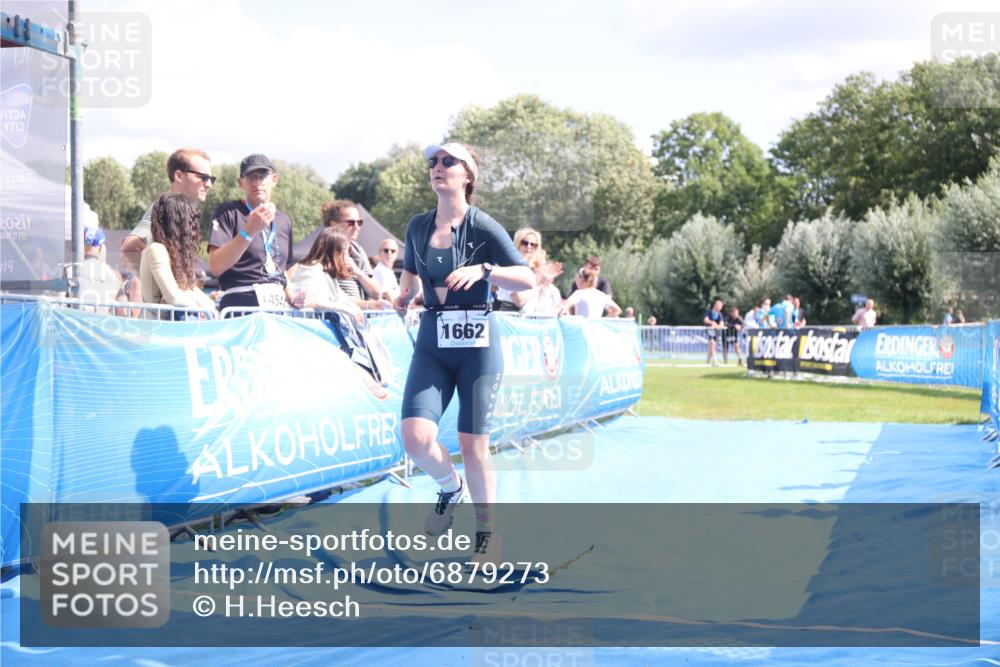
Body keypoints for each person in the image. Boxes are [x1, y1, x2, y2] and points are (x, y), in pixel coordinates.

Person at [392, 142, 534, 565]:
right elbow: (411, 273)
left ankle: (487, 532)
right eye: (433, 162)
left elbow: (526, 279)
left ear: (467, 175)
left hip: (477, 344)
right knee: (415, 439)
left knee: (474, 444)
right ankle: (449, 486)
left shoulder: (483, 225)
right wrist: (402, 296)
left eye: (448, 161)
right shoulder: (417, 225)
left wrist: (486, 270)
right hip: (433, 341)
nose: (437, 167)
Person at [121, 148, 214, 302]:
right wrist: (159, 281)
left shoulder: (180, 210)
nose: (209, 184)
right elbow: (130, 246)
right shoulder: (165, 209)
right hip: (163, 316)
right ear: (178, 176)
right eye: (203, 177)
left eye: (211, 178)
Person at [208, 154, 294, 313]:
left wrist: (290, 293)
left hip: (278, 309)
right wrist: (249, 231)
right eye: (250, 176)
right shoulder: (228, 212)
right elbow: (215, 266)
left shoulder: (284, 220)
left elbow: (283, 268)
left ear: (274, 179)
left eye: (262, 176)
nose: (257, 182)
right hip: (240, 305)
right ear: (241, 182)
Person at [139, 193, 217, 318]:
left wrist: (210, 307)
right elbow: (174, 297)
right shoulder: (156, 250)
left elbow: (189, 290)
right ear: (178, 224)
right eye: (189, 222)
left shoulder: (170, 253)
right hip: (157, 331)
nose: (193, 229)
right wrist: (204, 310)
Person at [321, 200, 391, 309]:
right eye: (350, 222)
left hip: (359, 319)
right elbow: (332, 298)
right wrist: (368, 305)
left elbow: (377, 294)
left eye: (359, 222)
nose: (357, 227)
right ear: (333, 224)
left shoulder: (358, 251)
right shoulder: (322, 253)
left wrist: (357, 272)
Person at [285, 227, 364, 323]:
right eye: (348, 250)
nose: (349, 255)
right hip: (305, 330)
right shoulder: (312, 270)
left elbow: (344, 300)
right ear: (338, 251)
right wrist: (340, 308)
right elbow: (306, 301)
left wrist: (371, 305)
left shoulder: (327, 273)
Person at [496, 227, 556, 311]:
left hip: (530, 316)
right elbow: (519, 300)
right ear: (517, 244)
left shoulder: (533, 269)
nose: (529, 246)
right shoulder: (510, 266)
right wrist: (540, 284)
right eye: (524, 243)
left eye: (533, 244)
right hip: (510, 314)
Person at [77, 226, 123, 311]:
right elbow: (121, 310)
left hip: (74, 323)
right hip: (103, 323)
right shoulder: (114, 275)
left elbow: (59, 303)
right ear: (101, 247)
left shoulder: (69, 270)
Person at [703, 297, 726, 366]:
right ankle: (715, 360)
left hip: (716, 331)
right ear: (715, 305)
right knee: (712, 343)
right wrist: (712, 322)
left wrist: (717, 326)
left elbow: (722, 324)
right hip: (710, 330)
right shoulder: (709, 312)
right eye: (719, 305)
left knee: (712, 346)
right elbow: (705, 320)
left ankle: (708, 361)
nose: (720, 307)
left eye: (721, 306)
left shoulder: (720, 314)